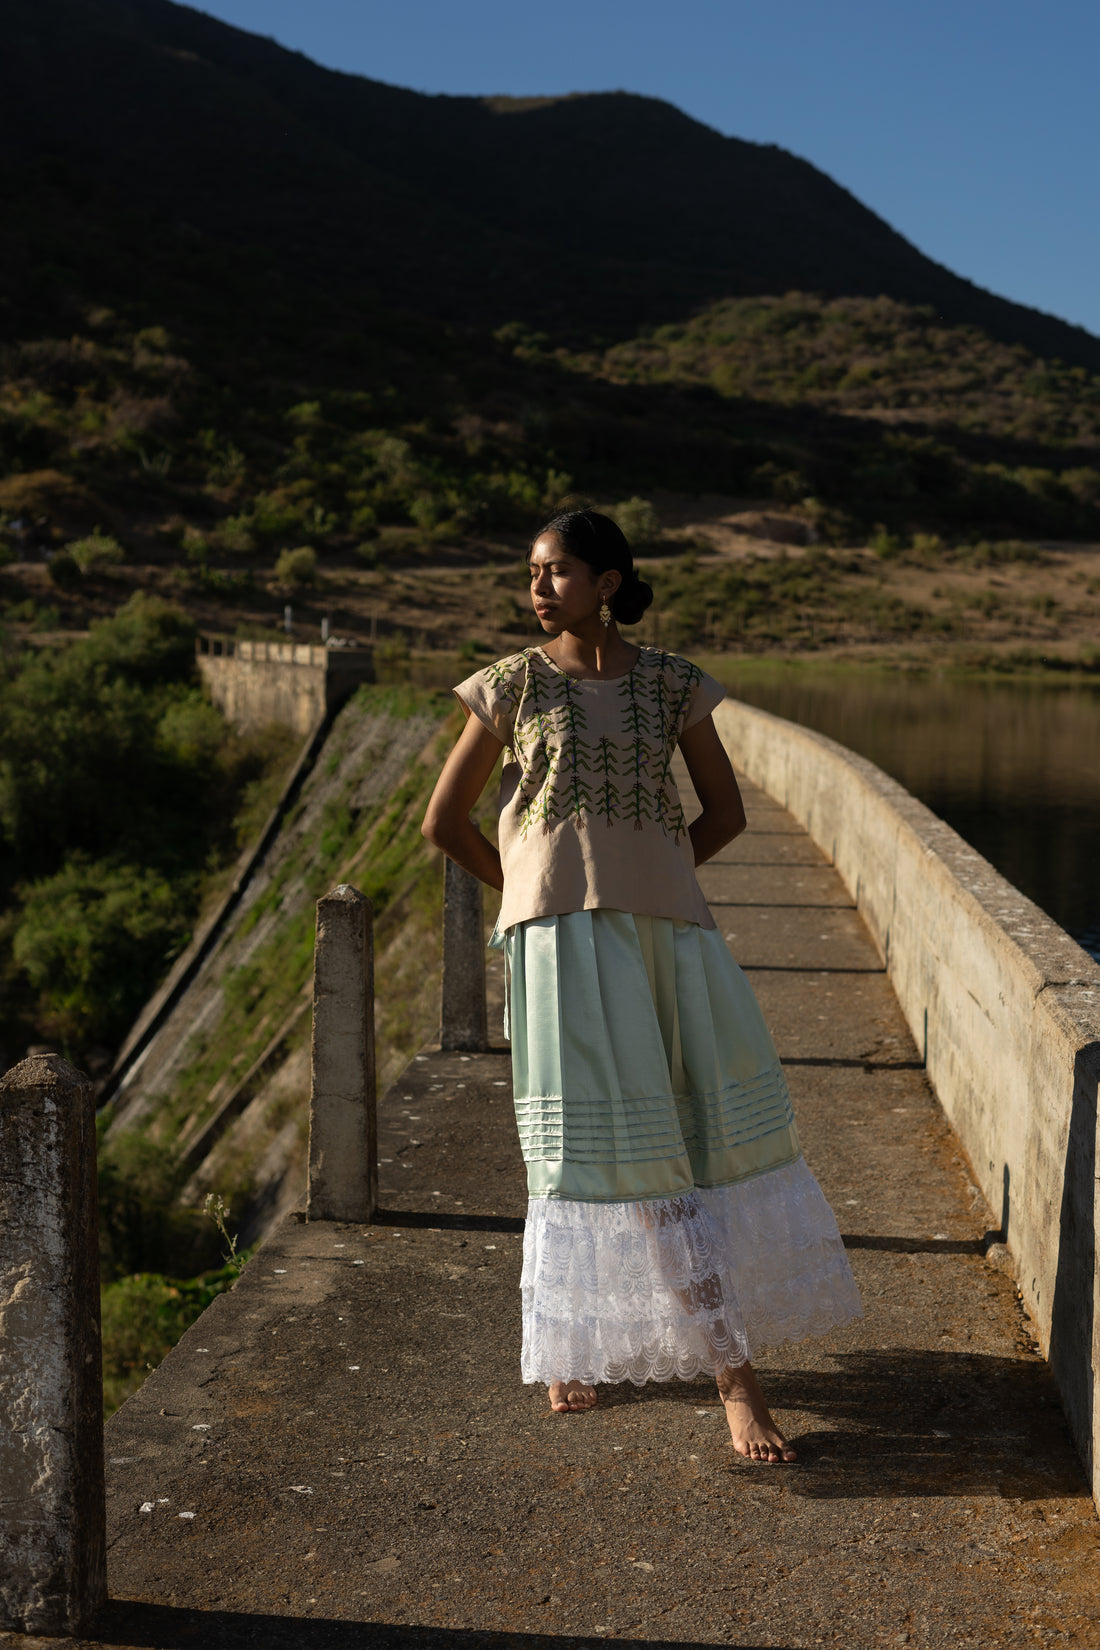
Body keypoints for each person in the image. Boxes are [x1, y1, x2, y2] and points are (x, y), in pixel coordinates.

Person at [422, 508, 861, 1463]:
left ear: (610, 581)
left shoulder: (670, 683)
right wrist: (530, 894)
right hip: (558, 949)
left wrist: (655, 877)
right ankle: (579, 1347)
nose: (540, 588)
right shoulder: (507, 686)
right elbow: (444, 821)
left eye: (560, 571)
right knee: (578, 1150)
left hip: (667, 940)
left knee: (687, 1146)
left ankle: (734, 1378)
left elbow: (728, 811)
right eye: (533, 572)